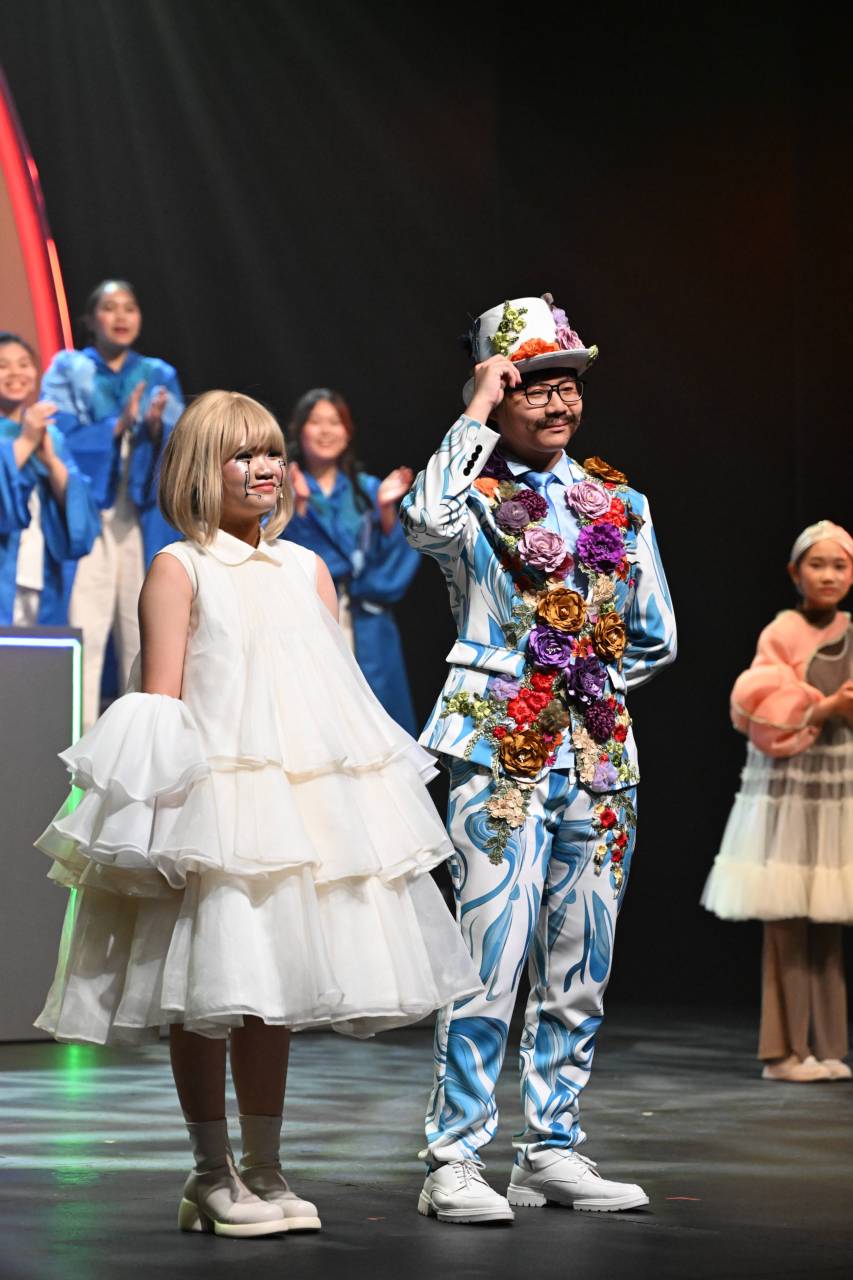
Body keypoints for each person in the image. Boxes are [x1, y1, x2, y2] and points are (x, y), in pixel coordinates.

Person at [34, 390, 480, 1238]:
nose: (265, 467)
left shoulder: (306, 569)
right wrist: (159, 827)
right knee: (208, 988)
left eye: (271, 451)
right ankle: (211, 1171)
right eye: (242, 454)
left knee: (269, 988)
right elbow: (161, 700)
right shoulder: (180, 567)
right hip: (212, 804)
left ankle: (265, 1165)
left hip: (289, 803)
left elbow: (330, 693)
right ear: (201, 469)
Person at [401, 294, 676, 1224]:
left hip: (597, 756)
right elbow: (421, 516)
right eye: (534, 385)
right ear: (499, 389)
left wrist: (585, 685)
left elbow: (655, 634)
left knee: (579, 964)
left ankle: (550, 1148)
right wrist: (477, 407)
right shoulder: (472, 499)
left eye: (568, 385)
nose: (557, 402)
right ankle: (454, 1158)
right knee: (489, 957)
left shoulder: (621, 503)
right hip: (495, 745)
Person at [702, 520, 853, 1082]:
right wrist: (823, 707)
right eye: (818, 564)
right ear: (795, 573)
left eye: (840, 565)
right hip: (791, 788)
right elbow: (757, 701)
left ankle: (829, 1046)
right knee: (788, 917)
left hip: (837, 789)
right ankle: (784, 1052)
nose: (829, 575)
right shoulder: (783, 631)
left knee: (829, 913)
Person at [41, 280, 184, 727]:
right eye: (109, 307)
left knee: (142, 627)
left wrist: (156, 431)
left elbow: (181, 444)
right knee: (86, 622)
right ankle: (76, 736)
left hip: (141, 516)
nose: (121, 316)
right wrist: (115, 428)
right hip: (89, 511)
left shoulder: (157, 373)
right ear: (90, 319)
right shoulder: (68, 368)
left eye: (129, 307)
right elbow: (56, 435)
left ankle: (139, 735)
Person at [284, 388, 420, 734]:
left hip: (365, 619)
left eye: (335, 422)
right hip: (306, 619)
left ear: (348, 432)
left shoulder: (368, 489)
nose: (326, 431)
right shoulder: (284, 489)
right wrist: (298, 507)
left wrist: (386, 510)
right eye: (316, 422)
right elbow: (281, 557)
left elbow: (394, 560)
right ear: (299, 430)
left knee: (377, 723)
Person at [0, 332, 99, 624]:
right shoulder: (31, 433)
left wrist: (51, 461)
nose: (15, 373)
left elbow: (79, 505)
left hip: (40, 574)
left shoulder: (50, 434)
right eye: (3, 366)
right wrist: (26, 441)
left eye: (24, 364)